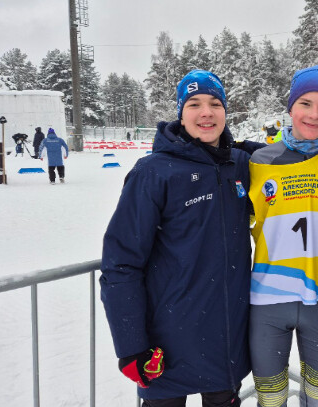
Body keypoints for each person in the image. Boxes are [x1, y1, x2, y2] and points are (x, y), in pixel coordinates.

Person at [100, 69, 252, 407]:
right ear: (181, 114)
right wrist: (130, 346)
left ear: (225, 112)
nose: (206, 112)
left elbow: (279, 161)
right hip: (165, 346)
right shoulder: (152, 172)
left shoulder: (238, 164)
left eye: (215, 104)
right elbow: (121, 263)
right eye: (194, 104)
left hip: (225, 341)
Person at [247, 65, 318, 407]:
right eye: (305, 103)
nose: (314, 114)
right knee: (271, 399)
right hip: (267, 302)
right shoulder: (257, 162)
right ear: (290, 107)